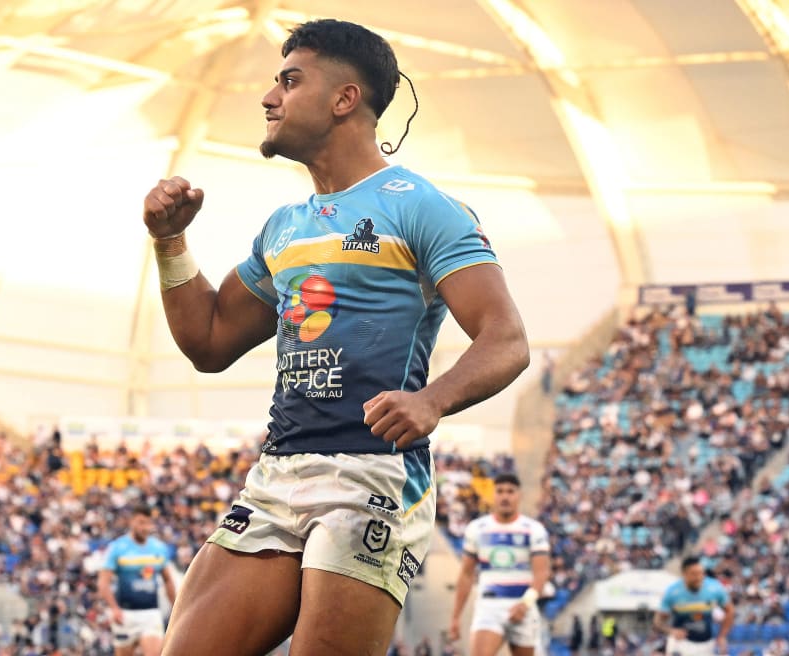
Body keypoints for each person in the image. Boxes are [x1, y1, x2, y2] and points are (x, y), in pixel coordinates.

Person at [142, 18, 529, 656]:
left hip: (371, 476)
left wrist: (431, 401)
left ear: (344, 100)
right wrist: (170, 242)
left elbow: (506, 337)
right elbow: (209, 342)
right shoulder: (284, 227)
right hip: (278, 475)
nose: (270, 97)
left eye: (289, 82)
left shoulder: (420, 206)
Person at [448, 473, 551, 656]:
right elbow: (466, 574)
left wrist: (525, 604)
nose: (505, 496)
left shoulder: (533, 529)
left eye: (510, 491)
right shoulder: (477, 529)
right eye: (500, 491)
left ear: (519, 495)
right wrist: (456, 616)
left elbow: (541, 574)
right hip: (489, 606)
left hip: (523, 607)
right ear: (493, 495)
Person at [98, 505, 177, 656]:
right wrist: (114, 608)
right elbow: (103, 582)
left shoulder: (158, 548)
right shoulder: (117, 547)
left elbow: (168, 579)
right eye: (141, 522)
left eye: (148, 523)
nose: (145, 527)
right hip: (125, 614)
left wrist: (175, 608)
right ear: (132, 522)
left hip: (151, 613)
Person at [654, 556, 733, 656]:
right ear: (684, 574)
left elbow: (730, 610)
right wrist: (671, 630)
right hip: (680, 643)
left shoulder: (715, 588)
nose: (699, 577)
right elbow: (658, 621)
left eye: (701, 573)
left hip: (706, 643)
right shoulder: (672, 592)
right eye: (694, 574)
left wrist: (722, 636)